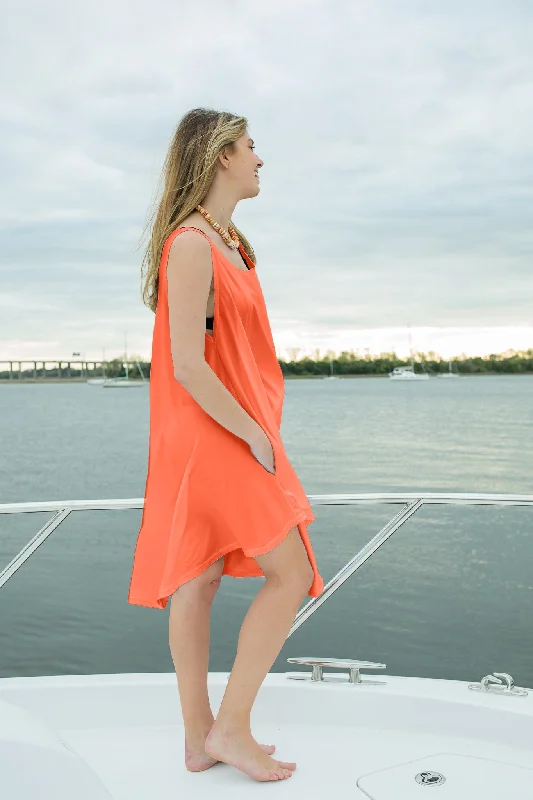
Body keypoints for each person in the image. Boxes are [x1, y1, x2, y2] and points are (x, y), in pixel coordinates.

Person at [128, 108, 324, 783]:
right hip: (213, 434)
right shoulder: (190, 243)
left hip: (231, 427)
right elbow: (187, 364)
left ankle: (197, 740)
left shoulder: (231, 243)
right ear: (219, 157)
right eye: (249, 147)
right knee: (289, 573)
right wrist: (251, 435)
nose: (259, 159)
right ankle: (229, 728)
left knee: (201, 576)